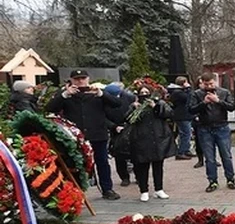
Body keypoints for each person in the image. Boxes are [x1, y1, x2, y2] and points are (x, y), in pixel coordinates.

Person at [46, 69, 122, 200]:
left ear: (88, 79)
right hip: (75, 137)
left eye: (83, 78)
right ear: (71, 81)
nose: (80, 81)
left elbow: (117, 104)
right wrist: (65, 94)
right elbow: (50, 108)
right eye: (76, 79)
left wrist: (101, 94)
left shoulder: (97, 93)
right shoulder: (65, 95)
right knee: (76, 164)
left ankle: (107, 189)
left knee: (102, 162)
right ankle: (76, 190)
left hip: (98, 134)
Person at [127, 81, 175, 202]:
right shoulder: (135, 105)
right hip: (141, 140)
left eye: (146, 92)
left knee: (158, 165)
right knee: (142, 166)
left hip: (157, 139)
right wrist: (133, 108)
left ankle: (159, 189)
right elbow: (127, 119)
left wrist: (155, 107)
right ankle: (144, 190)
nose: (144, 94)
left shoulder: (159, 103)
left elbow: (169, 114)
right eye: (141, 92)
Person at [189, 73, 235, 192]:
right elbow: (191, 109)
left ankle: (230, 179)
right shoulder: (197, 94)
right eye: (206, 84)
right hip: (205, 128)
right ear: (202, 83)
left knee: (226, 155)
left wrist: (218, 101)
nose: (209, 86)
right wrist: (203, 103)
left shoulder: (224, 92)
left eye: (211, 83)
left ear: (215, 81)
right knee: (209, 158)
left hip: (222, 127)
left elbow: (232, 107)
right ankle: (212, 181)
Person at [104, 82, 136, 188]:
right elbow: (102, 118)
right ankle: (124, 177)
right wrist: (113, 126)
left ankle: (139, 176)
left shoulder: (129, 97)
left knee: (136, 153)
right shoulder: (103, 100)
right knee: (119, 154)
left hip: (130, 127)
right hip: (116, 129)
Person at [168, 76, 194, 160]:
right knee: (186, 134)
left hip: (184, 115)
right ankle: (181, 152)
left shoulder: (178, 91)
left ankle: (186, 149)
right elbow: (188, 98)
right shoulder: (178, 92)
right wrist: (188, 89)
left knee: (186, 133)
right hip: (182, 116)